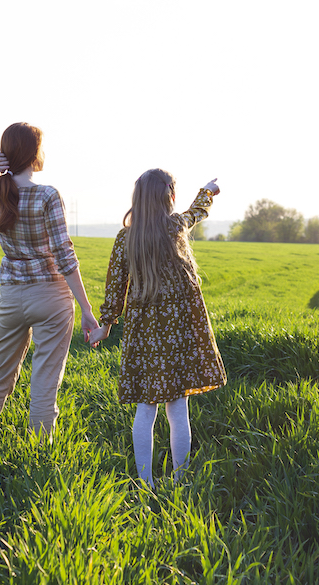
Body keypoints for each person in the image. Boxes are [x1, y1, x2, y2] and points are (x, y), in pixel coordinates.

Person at [89, 169, 227, 486]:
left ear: (137, 200)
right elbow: (197, 212)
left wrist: (105, 326)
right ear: (170, 198)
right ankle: (181, 481)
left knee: (145, 409)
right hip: (180, 330)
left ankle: (145, 482)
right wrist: (207, 190)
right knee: (178, 409)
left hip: (143, 334)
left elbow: (115, 287)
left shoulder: (127, 238)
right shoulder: (176, 226)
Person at [0, 122, 99, 437]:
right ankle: (39, 457)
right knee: (44, 384)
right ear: (34, 153)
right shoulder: (47, 195)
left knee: (0, 378)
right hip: (51, 295)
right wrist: (85, 308)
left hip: (13, 297)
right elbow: (64, 255)